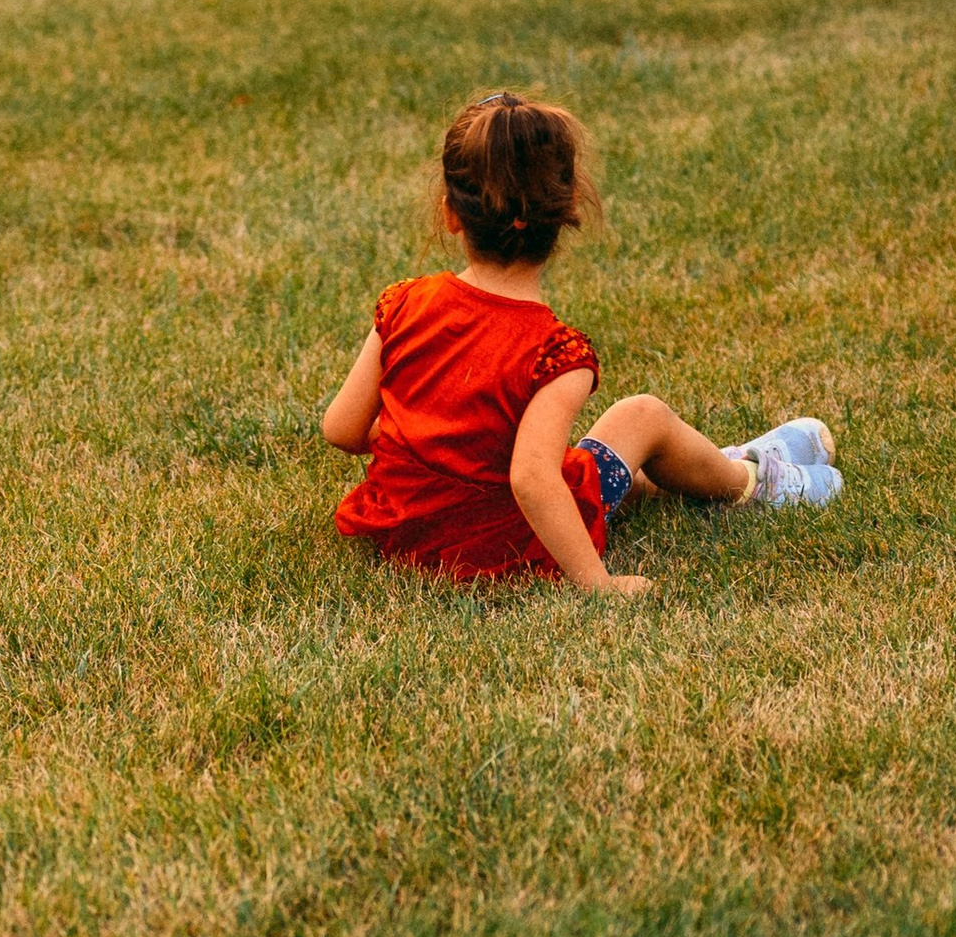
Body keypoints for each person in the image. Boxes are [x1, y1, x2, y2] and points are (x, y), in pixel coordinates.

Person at [321, 91, 841, 600]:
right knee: (643, 417)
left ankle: (700, 471)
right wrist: (599, 583)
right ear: (566, 210)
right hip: (505, 545)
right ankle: (746, 480)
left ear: (451, 214)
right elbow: (530, 478)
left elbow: (341, 427)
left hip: (405, 537)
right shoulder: (554, 352)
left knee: (618, 473)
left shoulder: (404, 303)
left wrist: (433, 444)